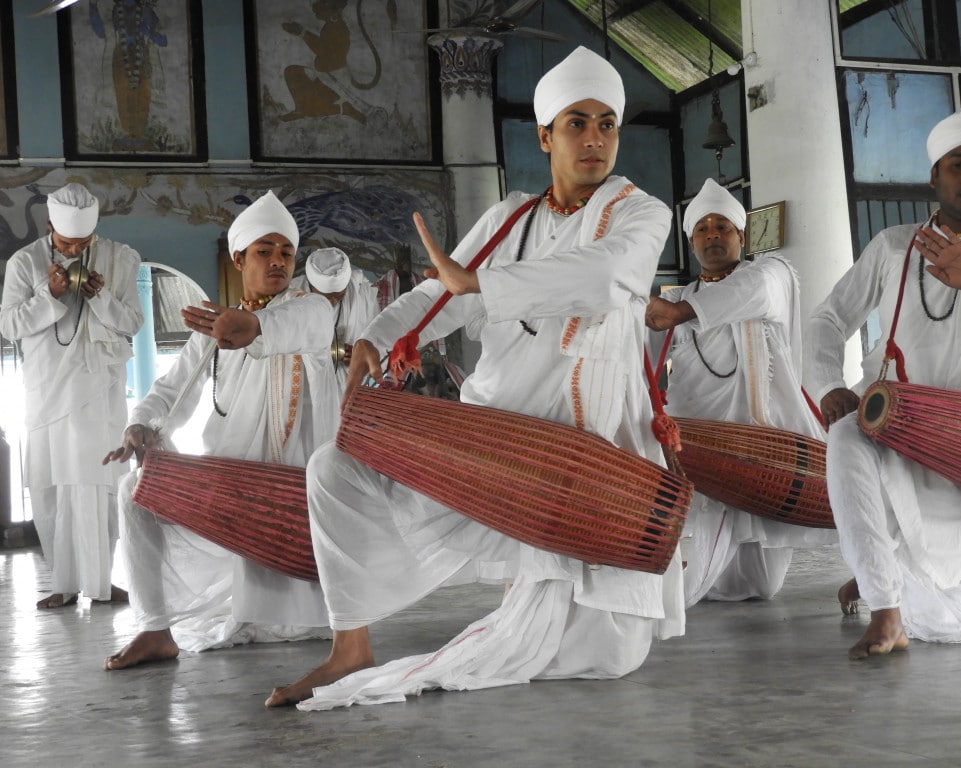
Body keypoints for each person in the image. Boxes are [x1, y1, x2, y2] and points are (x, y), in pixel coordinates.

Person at [266, 45, 684, 709]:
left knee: (609, 655)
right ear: (544, 136)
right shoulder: (509, 217)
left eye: (607, 123)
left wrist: (479, 283)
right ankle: (350, 646)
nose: (595, 139)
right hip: (490, 453)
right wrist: (378, 336)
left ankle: (521, 613)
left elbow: (604, 280)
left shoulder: (641, 212)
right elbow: (441, 295)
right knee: (332, 470)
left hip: (585, 463)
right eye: (577, 123)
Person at [804, 101, 961, 659]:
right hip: (903, 420)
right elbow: (829, 318)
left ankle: (885, 571)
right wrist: (829, 380)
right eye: (958, 163)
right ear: (934, 175)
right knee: (846, 436)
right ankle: (886, 607)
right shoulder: (894, 247)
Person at [102, 191, 339, 669]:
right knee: (135, 490)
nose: (277, 262)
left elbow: (292, 325)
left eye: (286, 253)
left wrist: (251, 326)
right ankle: (154, 630)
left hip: (294, 495)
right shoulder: (210, 330)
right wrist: (141, 426)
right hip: (231, 488)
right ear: (238, 258)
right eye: (264, 251)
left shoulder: (311, 313)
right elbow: (169, 392)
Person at [646, 178, 833, 607]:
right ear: (691, 240)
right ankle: (668, 597)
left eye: (723, 227)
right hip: (700, 442)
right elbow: (643, 356)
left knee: (761, 585)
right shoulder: (676, 298)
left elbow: (753, 292)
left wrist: (678, 312)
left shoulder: (772, 274)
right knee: (717, 515)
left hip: (762, 439)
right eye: (703, 228)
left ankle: (692, 582)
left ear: (741, 237)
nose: (713, 234)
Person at [0, 182, 143, 609]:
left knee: (101, 484)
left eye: (84, 243)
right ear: (48, 228)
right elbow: (8, 326)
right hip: (48, 391)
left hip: (100, 389)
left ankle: (101, 581)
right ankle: (63, 583)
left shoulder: (120, 258)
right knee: (52, 487)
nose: (76, 250)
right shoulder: (24, 263)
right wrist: (52, 295)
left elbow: (132, 322)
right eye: (66, 243)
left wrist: (100, 298)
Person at [292, 246, 379, 390]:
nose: (332, 302)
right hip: (306, 389)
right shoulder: (291, 297)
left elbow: (378, 339)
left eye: (339, 296)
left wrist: (363, 356)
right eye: (325, 298)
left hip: (349, 387)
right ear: (311, 286)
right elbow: (281, 347)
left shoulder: (363, 294)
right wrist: (332, 352)